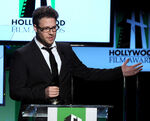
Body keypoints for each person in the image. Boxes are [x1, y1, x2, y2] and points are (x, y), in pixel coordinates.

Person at [9, 6, 143, 121]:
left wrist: (119, 71)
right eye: (46, 29)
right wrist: (42, 93)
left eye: (54, 28)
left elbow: (87, 73)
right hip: (36, 118)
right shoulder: (22, 55)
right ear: (35, 28)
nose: (51, 33)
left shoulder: (65, 50)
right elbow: (15, 92)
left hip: (65, 116)